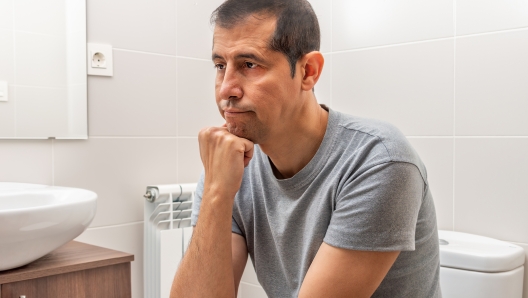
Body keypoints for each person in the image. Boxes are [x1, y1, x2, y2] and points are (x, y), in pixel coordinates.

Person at [171, 0, 441, 297]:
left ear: (308, 71)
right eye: (221, 66)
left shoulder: (379, 161)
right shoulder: (226, 168)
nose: (226, 89)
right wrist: (216, 192)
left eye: (249, 65)